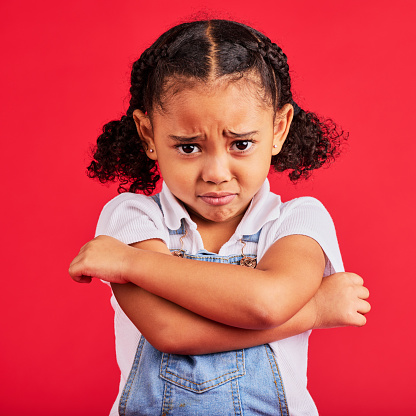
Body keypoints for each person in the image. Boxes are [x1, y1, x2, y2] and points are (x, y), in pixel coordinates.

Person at [69, 19, 370, 416]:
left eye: (241, 144)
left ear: (278, 129)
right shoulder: (133, 217)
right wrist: (313, 309)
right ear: (148, 134)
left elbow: (268, 301)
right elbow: (170, 331)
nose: (215, 172)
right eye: (189, 147)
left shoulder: (297, 220)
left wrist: (130, 263)